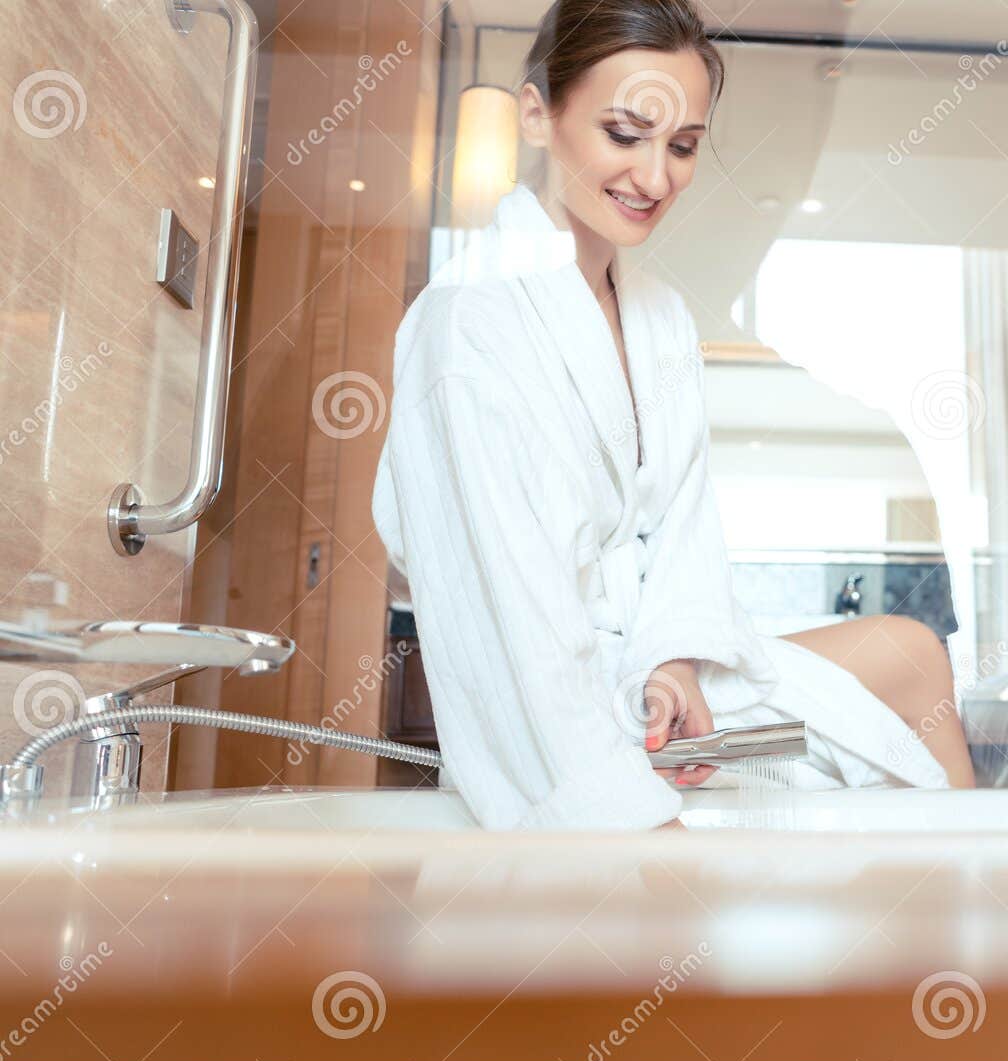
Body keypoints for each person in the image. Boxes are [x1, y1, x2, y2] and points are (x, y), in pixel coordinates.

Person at [372, 0, 975, 830]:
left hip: (656, 694)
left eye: (683, 146)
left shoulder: (658, 319)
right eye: (625, 134)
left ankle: (973, 902)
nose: (656, 179)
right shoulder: (469, 327)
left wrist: (675, 662)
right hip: (560, 726)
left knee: (914, 654)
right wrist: (641, 835)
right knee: (887, 706)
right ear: (540, 114)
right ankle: (962, 904)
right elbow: (511, 631)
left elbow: (685, 531)